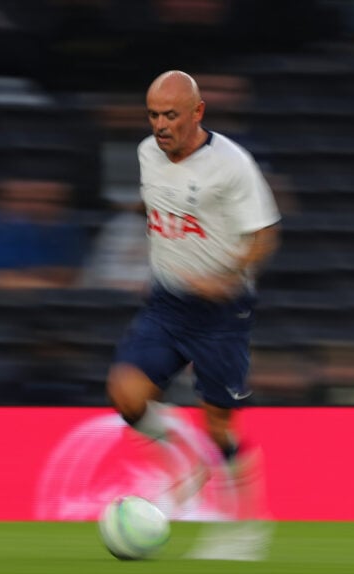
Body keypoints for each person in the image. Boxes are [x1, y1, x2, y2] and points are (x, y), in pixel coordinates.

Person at [106, 71, 280, 542]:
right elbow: (164, 210)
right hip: (167, 303)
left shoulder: (231, 165)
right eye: (154, 115)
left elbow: (265, 236)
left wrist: (224, 275)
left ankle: (248, 526)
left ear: (198, 113)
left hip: (221, 311)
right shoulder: (146, 153)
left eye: (171, 115)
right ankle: (186, 464)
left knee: (219, 423)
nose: (160, 125)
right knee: (126, 391)